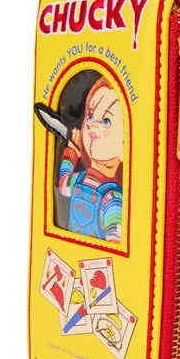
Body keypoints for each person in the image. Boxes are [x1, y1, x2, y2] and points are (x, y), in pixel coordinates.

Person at [57, 76, 124, 243]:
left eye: (106, 121)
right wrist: (72, 151)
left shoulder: (112, 199)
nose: (92, 125)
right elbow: (63, 186)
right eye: (91, 116)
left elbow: (114, 243)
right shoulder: (80, 178)